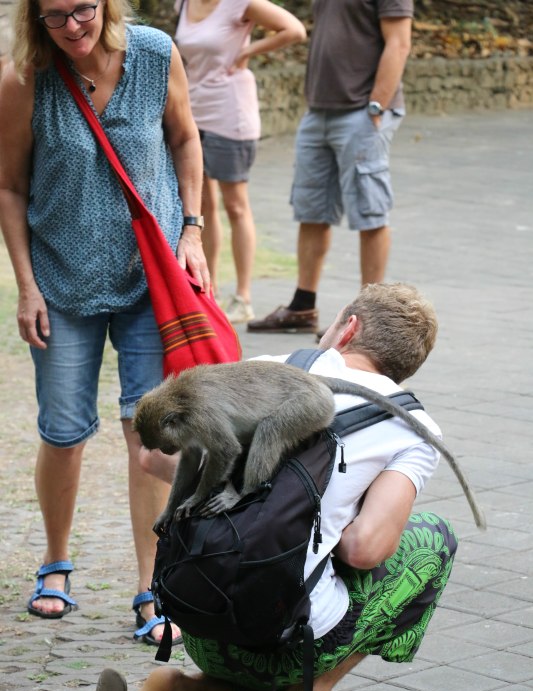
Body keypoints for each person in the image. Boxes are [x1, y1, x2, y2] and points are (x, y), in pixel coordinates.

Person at [84, 282, 458, 691]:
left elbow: (154, 458)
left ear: (348, 328)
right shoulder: (413, 425)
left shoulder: (269, 364)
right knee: (433, 536)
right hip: (288, 634)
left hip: (201, 616)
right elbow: (363, 549)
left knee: (258, 665)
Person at [0, 0, 210, 646]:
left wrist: (193, 231)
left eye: (83, 9)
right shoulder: (24, 77)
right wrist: (26, 286)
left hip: (150, 279)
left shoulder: (154, 53)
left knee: (152, 440)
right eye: (54, 15)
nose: (72, 26)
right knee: (64, 433)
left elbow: (185, 138)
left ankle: (153, 587)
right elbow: (9, 186)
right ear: (35, 18)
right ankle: (55, 560)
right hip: (60, 283)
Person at [247, 0, 413, 334]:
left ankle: (368, 319)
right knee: (311, 210)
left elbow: (399, 42)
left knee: (369, 211)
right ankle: (302, 307)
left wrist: (377, 106)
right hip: (319, 111)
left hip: (363, 111)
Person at [174, 0, 306, 323]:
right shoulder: (184, 3)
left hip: (230, 112)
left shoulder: (239, 3)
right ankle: (210, 290)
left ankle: (243, 297)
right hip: (194, 111)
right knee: (201, 206)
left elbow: (295, 30)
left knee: (235, 205)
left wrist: (248, 51)